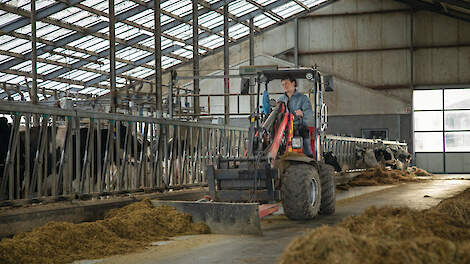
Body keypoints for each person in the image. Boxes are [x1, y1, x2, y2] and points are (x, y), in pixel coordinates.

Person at [277, 76, 314, 157]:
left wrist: (303, 113)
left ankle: (309, 159)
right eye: (283, 84)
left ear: (293, 83)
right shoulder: (280, 100)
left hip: (299, 128)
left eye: (286, 83)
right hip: (284, 130)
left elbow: (309, 114)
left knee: (306, 145)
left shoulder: (303, 98)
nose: (284, 86)